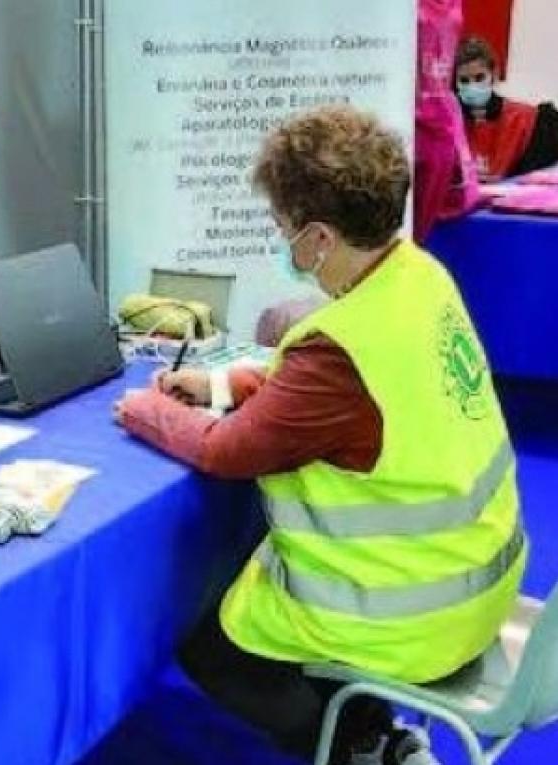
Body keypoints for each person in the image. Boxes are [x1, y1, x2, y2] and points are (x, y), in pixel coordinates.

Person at [116, 106, 525, 765]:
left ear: (318, 239)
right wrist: (223, 387)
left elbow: (228, 451)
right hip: (481, 594)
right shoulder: (421, 277)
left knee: (198, 630)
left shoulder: (338, 348)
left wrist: (144, 407)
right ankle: (369, 733)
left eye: (284, 227)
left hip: (408, 620)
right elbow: (348, 398)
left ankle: (352, 746)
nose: (284, 242)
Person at [455, 36, 558, 180]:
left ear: (494, 74)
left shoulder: (528, 120)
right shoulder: (448, 124)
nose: (473, 86)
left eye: (479, 78)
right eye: (464, 80)